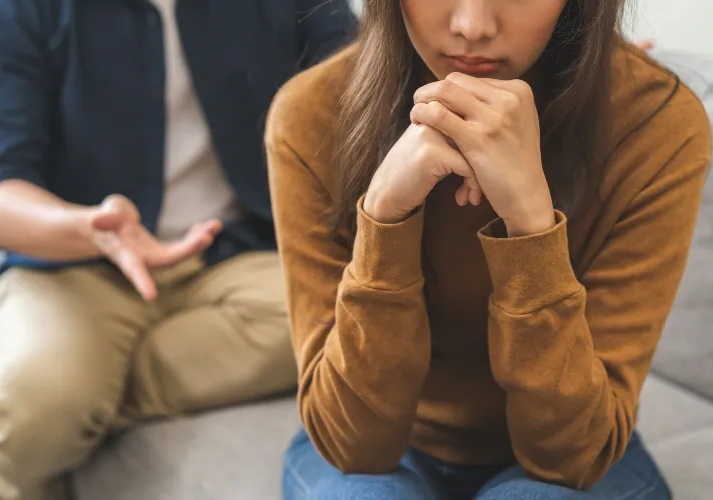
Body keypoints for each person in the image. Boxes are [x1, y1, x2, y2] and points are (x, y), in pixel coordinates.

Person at [265, 0, 710, 499]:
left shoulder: (655, 125)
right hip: (387, 446)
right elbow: (355, 448)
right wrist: (385, 218)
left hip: (578, 451)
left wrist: (531, 226)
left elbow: (572, 457)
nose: (472, 26)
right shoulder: (311, 115)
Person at [0, 0, 355, 499]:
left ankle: (21, 412)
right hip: (75, 259)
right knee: (36, 419)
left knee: (349, 328)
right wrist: (88, 228)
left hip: (234, 251)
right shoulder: (13, 8)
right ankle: (35, 409)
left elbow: (361, 88)